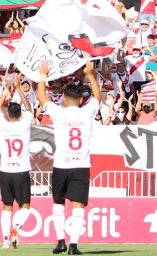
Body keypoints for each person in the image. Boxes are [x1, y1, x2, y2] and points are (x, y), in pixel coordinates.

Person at [36, 61, 101, 255]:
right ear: (81, 99)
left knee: (58, 203)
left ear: (64, 98)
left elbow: (41, 96)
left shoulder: (58, 113)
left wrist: (43, 75)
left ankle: (60, 241)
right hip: (81, 165)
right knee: (78, 205)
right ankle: (73, 245)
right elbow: (97, 96)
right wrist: (89, 74)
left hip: (61, 164)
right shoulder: (87, 112)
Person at [0, 79, 33, 249]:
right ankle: (16, 227)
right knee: (25, 205)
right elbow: (30, 108)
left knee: (6, 206)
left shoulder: (3, 124)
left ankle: (4, 241)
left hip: (6, 171)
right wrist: (19, 89)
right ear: (20, 114)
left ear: (9, 114)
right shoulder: (25, 123)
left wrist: (5, 91)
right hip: (22, 170)